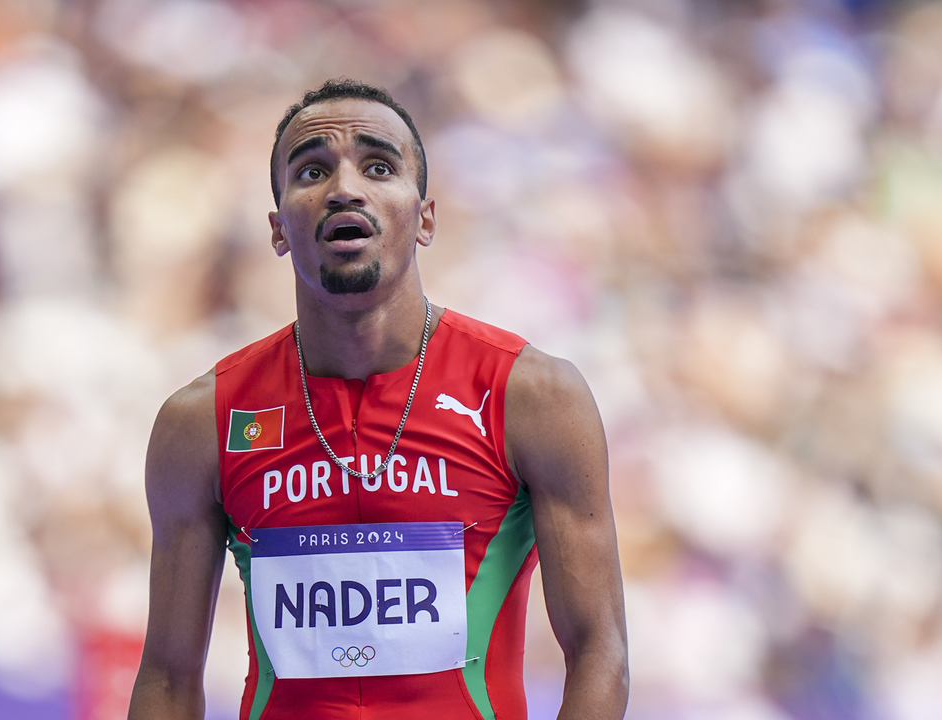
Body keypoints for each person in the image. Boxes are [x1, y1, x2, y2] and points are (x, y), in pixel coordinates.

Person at [128, 79, 628, 720]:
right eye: (312, 169)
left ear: (424, 218)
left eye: (379, 166)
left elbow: (599, 651)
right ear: (280, 229)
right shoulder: (201, 422)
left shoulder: (532, 396)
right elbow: (168, 678)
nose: (344, 187)